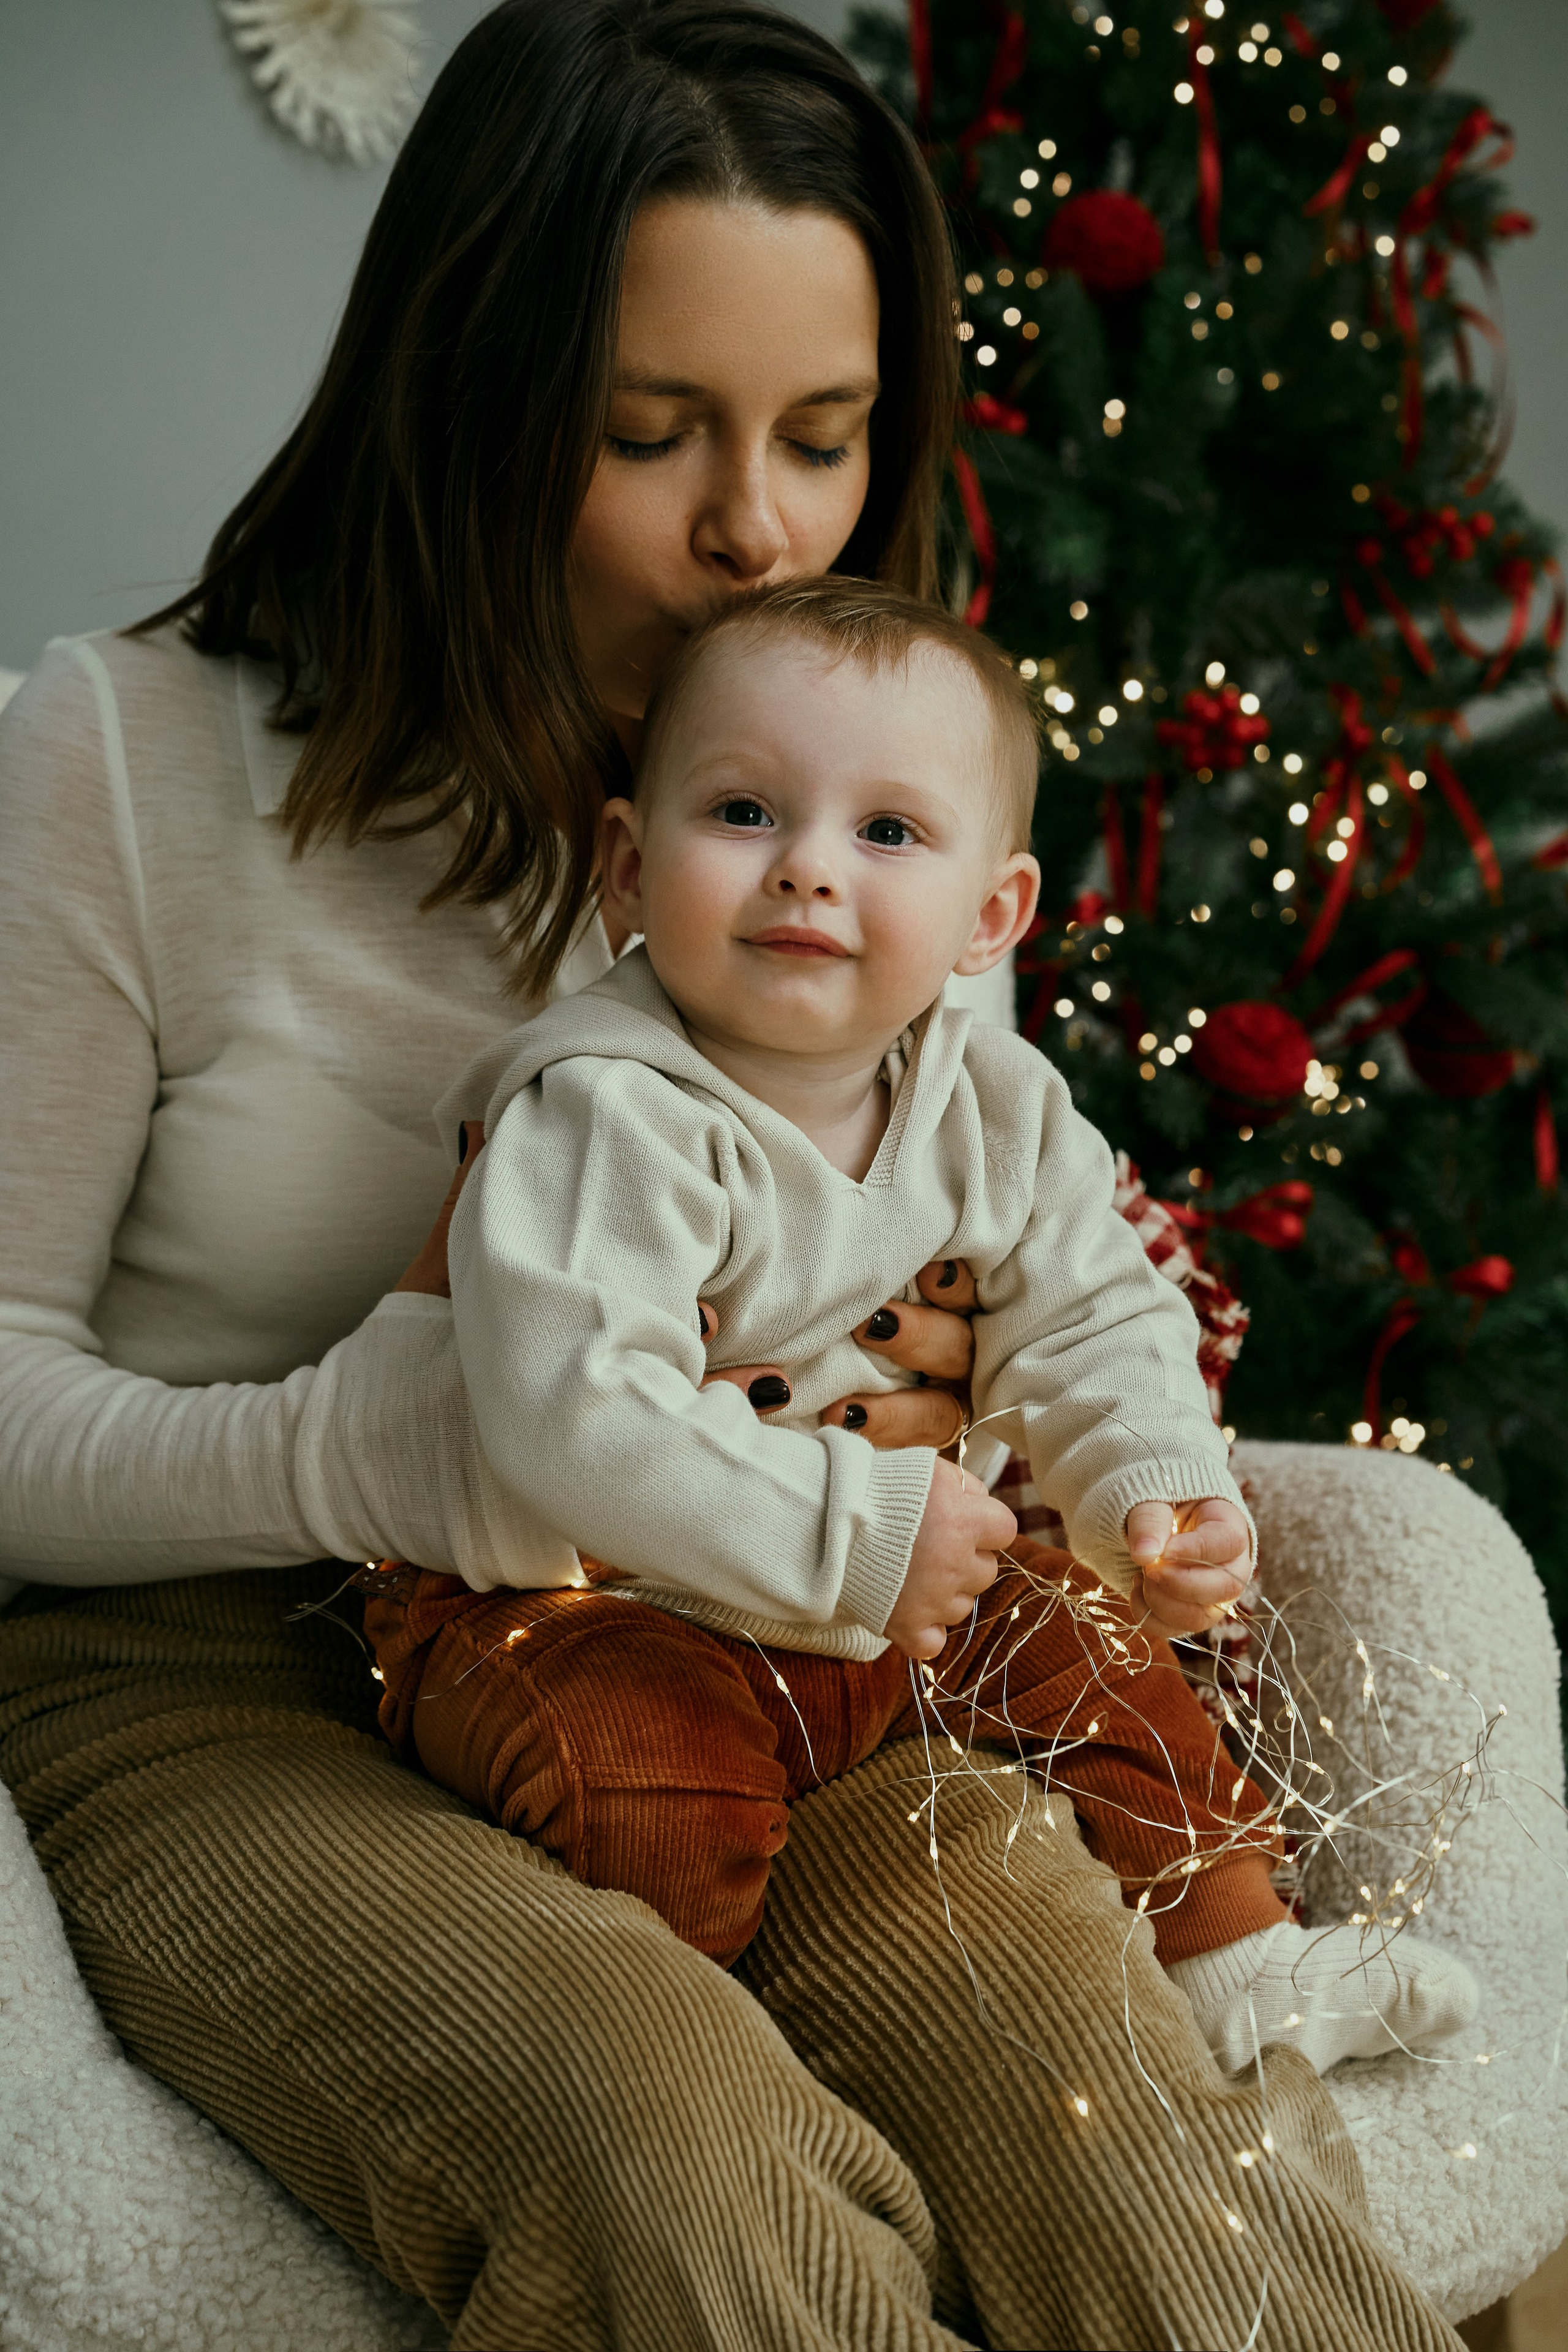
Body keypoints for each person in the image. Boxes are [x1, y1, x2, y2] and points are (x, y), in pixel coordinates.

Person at [0, 2, 1464, 2344]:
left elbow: (1012, 1256)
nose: (756, 530)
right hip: (208, 1675)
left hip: (764, 1644)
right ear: (465, 392)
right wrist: (347, 1450)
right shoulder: (116, 758)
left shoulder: (860, 791)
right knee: (678, 2154)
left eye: (825, 437)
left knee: (1113, 2134)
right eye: (649, 433)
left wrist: (1062, 1471)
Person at [363, 574, 1479, 2078]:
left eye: (884, 833)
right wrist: (862, 1532)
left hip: (875, 1610)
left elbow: (1095, 1312)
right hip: (582, 1605)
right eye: (744, 813)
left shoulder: (994, 1106)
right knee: (642, 1779)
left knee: (1085, 1647)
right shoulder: (601, 1110)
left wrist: (1148, 1483)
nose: (807, 873)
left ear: (989, 916)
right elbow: (573, 1411)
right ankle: (686, 2039)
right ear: (626, 869)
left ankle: (1234, 1957)